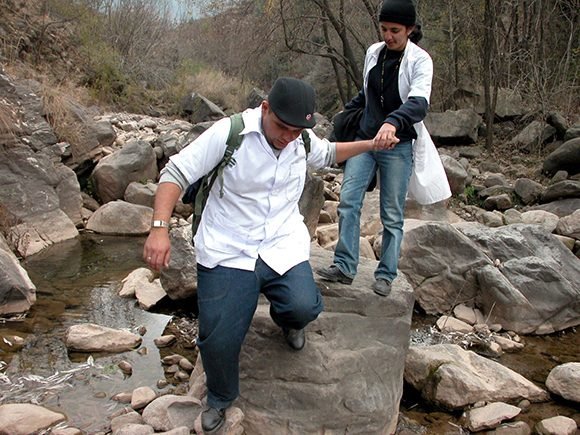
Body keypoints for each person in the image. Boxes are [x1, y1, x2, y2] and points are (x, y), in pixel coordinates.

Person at [143, 77, 389, 433]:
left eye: (296, 130)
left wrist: (371, 144)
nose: (287, 136)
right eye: (282, 127)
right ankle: (221, 398)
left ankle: (287, 319)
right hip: (229, 248)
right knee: (219, 338)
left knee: (304, 306)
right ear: (265, 109)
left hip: (279, 244)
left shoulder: (302, 139)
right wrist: (159, 228)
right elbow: (175, 173)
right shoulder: (231, 133)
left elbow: (330, 153)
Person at [316, 0, 451, 297]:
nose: (388, 36)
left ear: (410, 30)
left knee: (391, 213)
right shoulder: (373, 53)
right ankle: (344, 265)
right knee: (348, 201)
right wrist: (338, 121)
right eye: (384, 29)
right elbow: (366, 94)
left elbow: (418, 103)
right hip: (365, 141)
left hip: (397, 145)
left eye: (395, 30)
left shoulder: (420, 61)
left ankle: (386, 273)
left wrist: (392, 122)